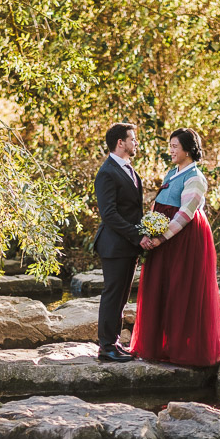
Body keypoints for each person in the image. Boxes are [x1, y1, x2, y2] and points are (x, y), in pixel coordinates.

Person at [129, 128, 220, 367]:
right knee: (161, 287)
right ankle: (160, 346)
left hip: (183, 240)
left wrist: (161, 237)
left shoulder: (195, 178)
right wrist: (147, 232)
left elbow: (185, 214)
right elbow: (159, 207)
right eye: (170, 145)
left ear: (187, 149)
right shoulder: (172, 174)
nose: (171, 150)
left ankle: (184, 349)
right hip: (164, 239)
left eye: (175, 146)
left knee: (182, 289)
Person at [93, 122, 151, 363]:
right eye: (133, 139)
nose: (136, 143)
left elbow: (131, 209)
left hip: (127, 246)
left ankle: (114, 343)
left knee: (121, 297)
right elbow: (109, 214)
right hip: (114, 245)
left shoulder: (128, 169)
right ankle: (106, 346)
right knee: (113, 295)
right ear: (121, 142)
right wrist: (137, 235)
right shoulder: (107, 172)